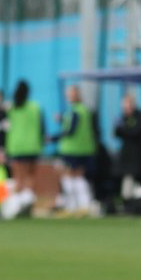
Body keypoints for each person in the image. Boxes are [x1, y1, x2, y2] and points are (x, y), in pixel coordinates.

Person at [52, 83, 100, 214]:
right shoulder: (85, 110)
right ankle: (83, 205)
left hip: (72, 149)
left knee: (69, 176)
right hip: (85, 148)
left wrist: (53, 138)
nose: (69, 97)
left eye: (70, 94)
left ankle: (73, 206)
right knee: (79, 176)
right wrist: (62, 119)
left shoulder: (75, 111)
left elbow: (70, 130)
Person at [3, 79, 45, 217]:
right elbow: (42, 128)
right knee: (30, 177)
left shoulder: (11, 108)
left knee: (18, 177)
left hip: (16, 145)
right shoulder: (36, 107)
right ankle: (27, 204)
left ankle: (17, 206)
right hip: (32, 146)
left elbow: (5, 127)